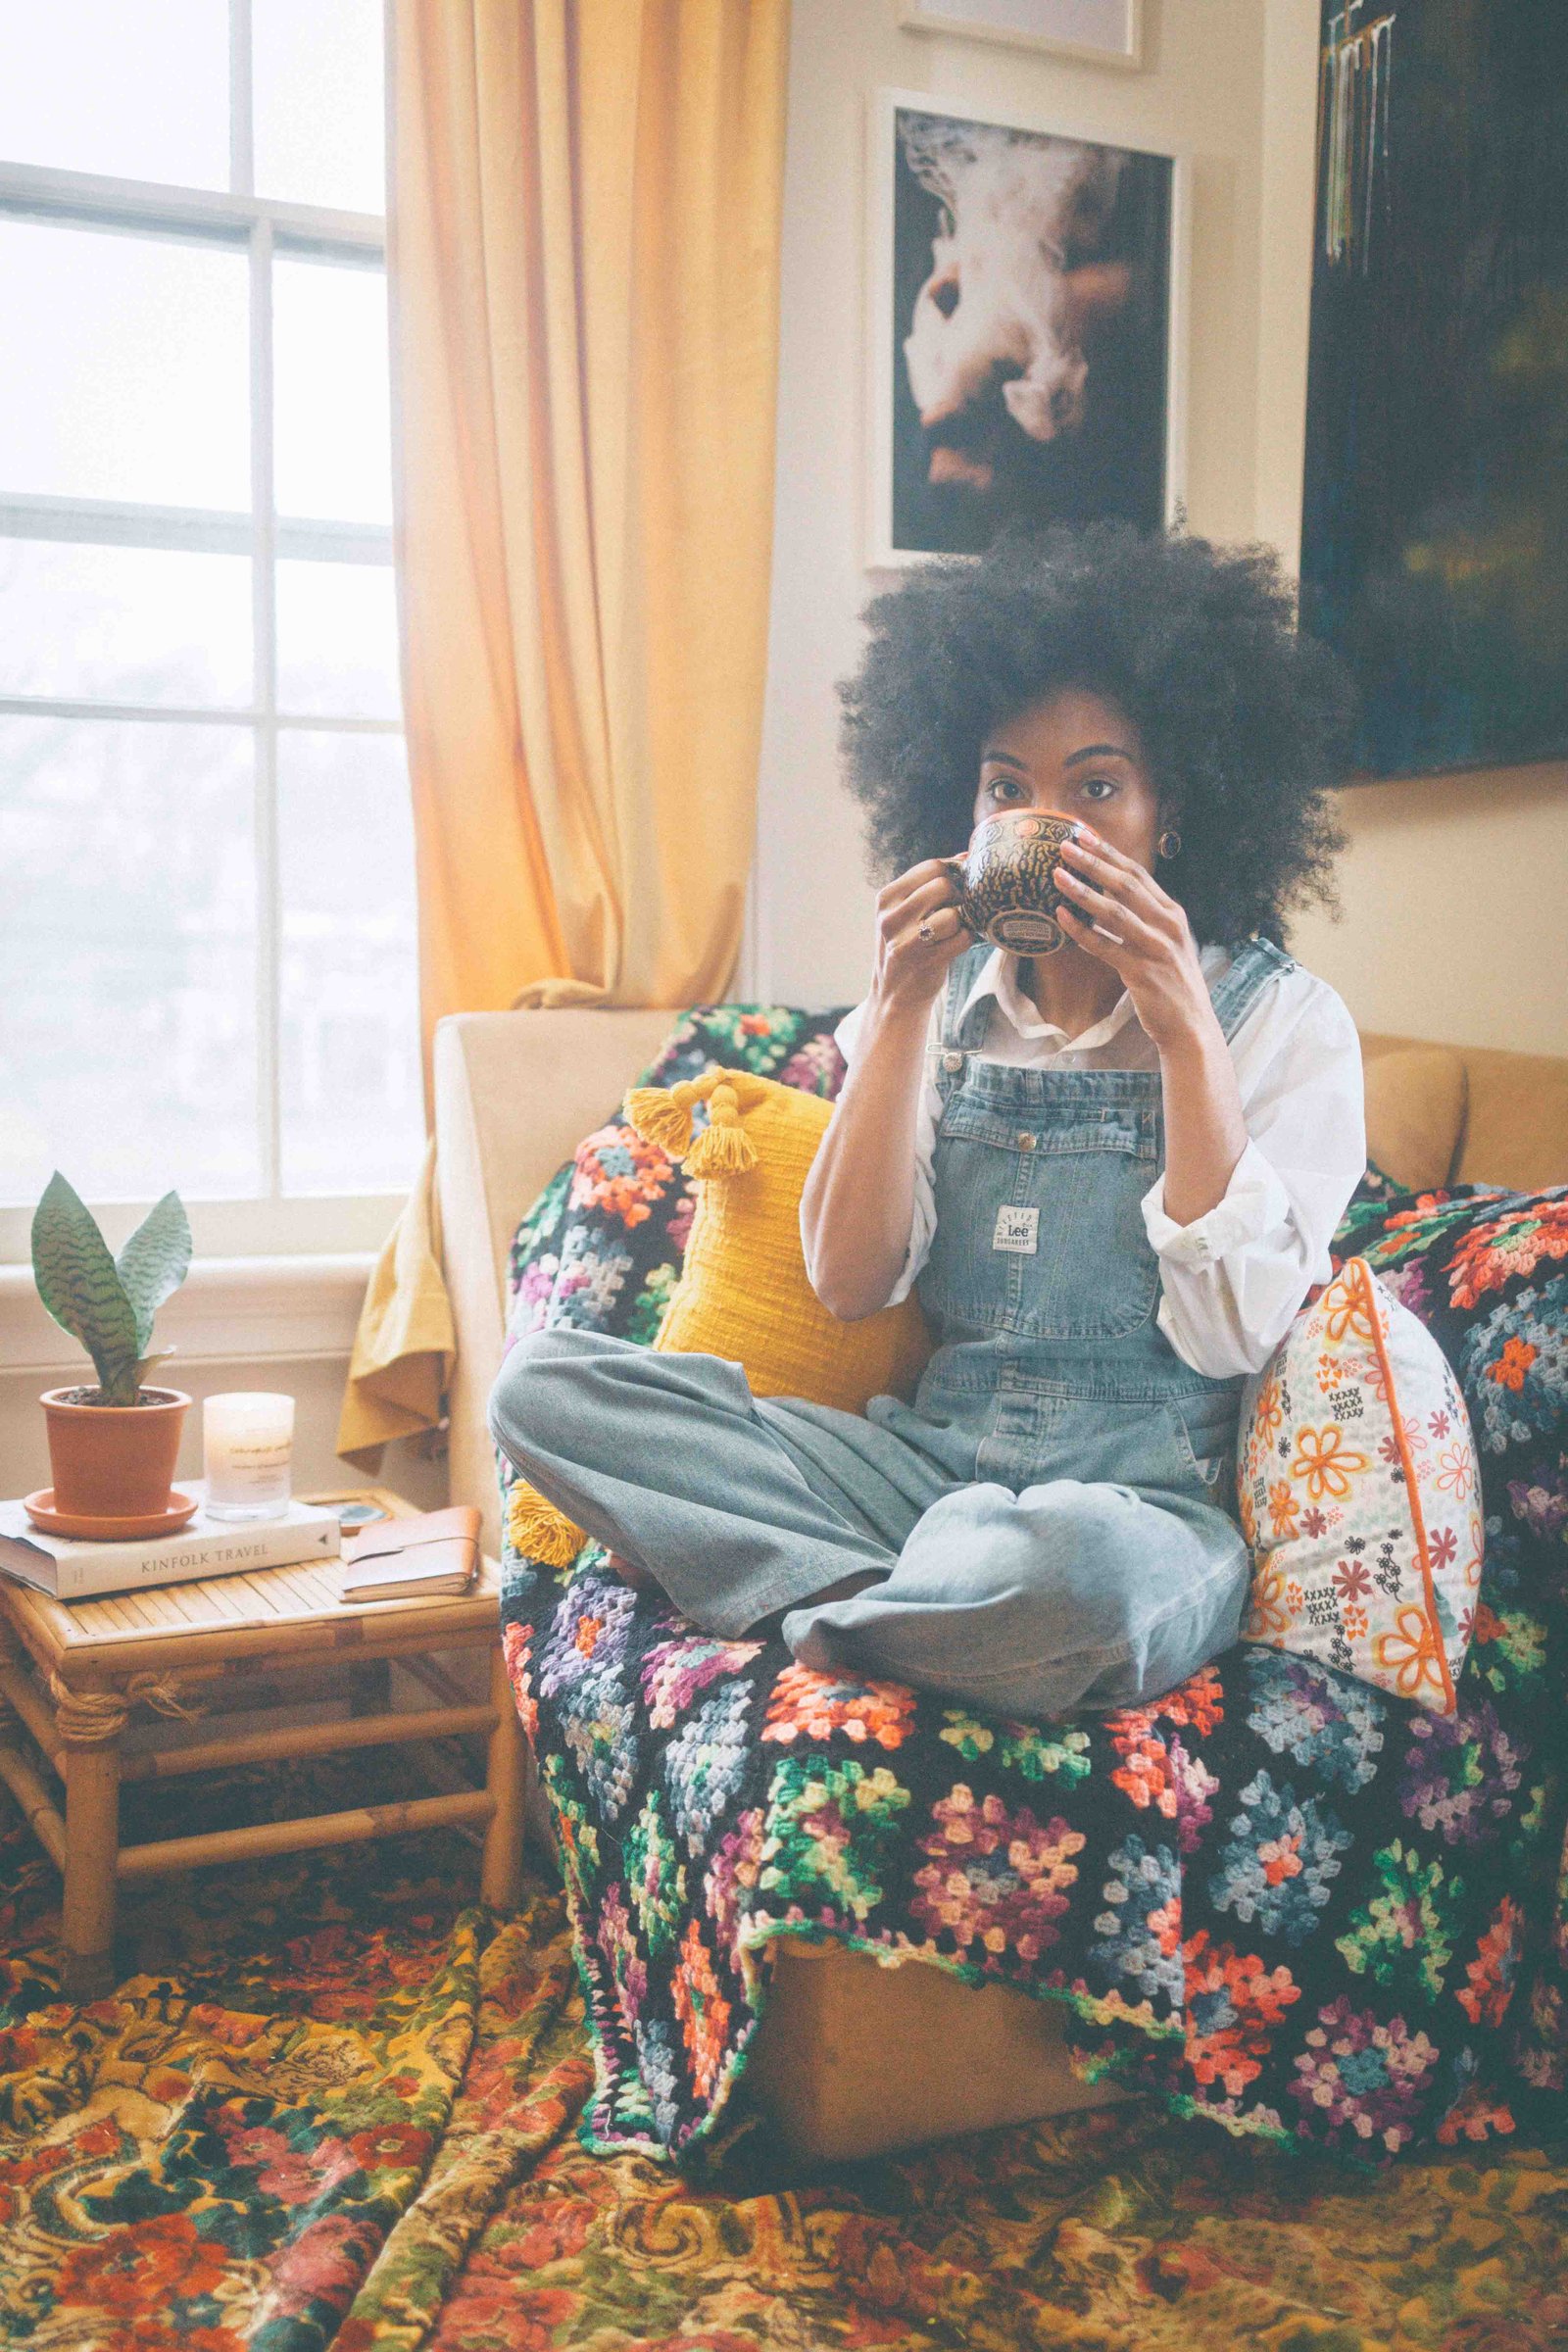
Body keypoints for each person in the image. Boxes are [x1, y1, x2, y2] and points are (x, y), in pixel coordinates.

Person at [489, 520, 1367, 1718]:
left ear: (1176, 811)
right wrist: (898, 1005)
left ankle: (880, 1606)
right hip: (917, 1473)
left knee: (1085, 1582)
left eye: (1096, 786)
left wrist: (1181, 1030)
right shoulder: (931, 1003)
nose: (1043, 822)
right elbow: (851, 1282)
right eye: (1008, 788)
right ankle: (910, 1607)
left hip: (1134, 1501)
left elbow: (1233, 1337)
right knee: (543, 1388)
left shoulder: (1280, 1022)